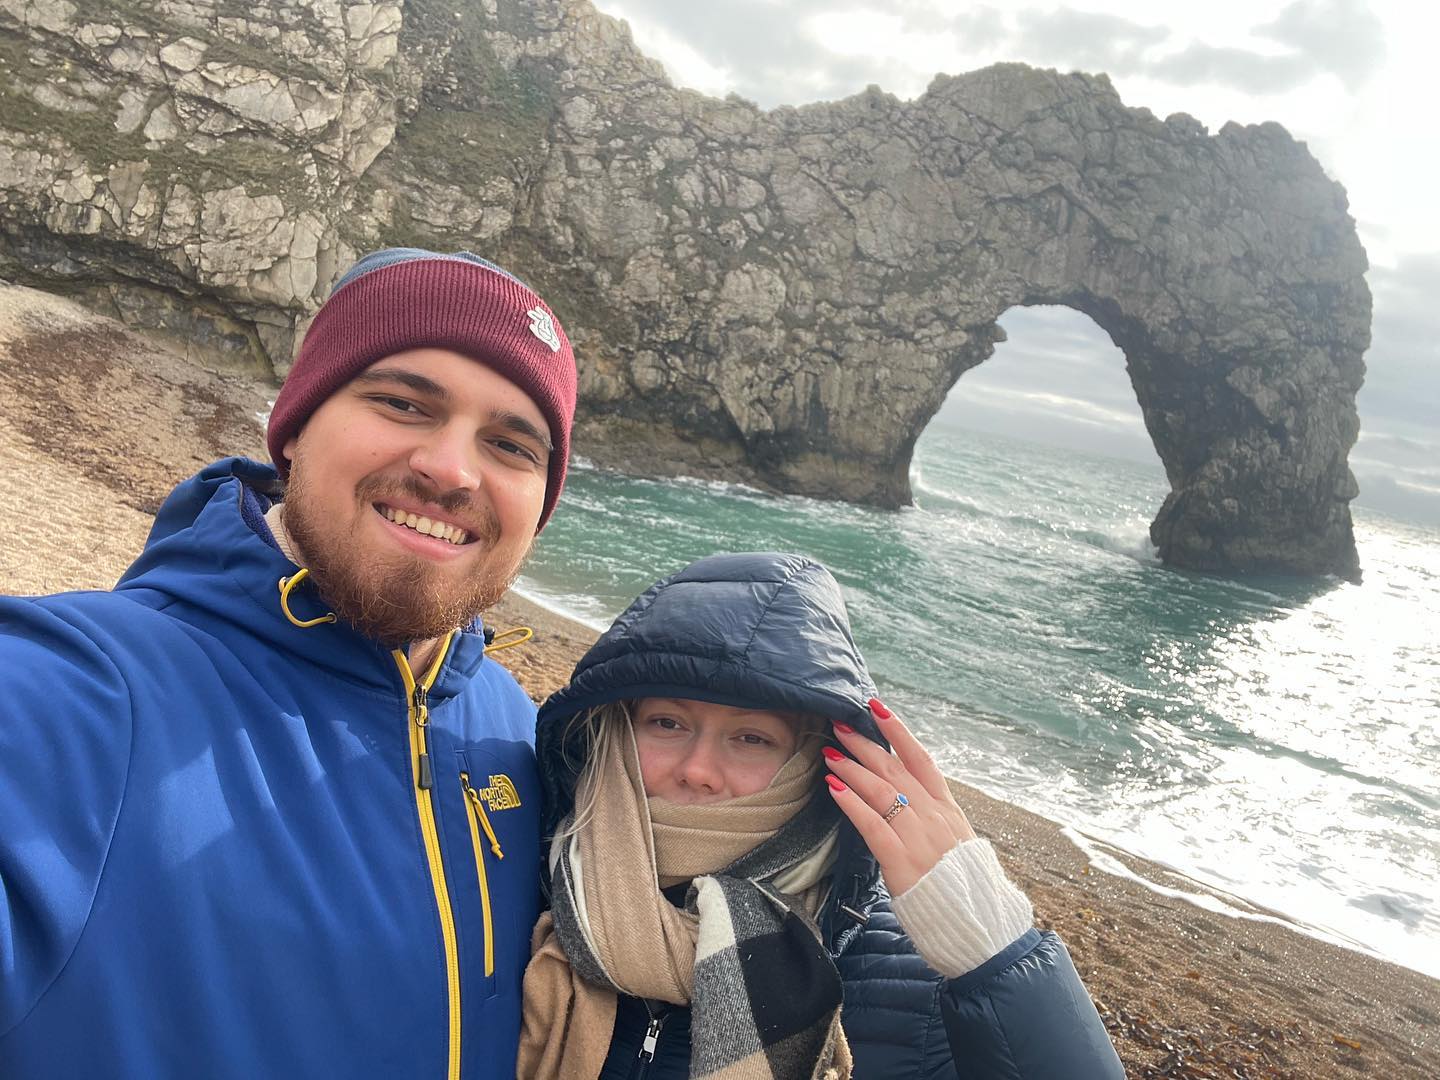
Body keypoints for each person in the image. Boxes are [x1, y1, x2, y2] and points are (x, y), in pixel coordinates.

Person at [0, 248, 576, 1078]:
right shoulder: (76, 692)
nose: (452, 470)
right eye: (403, 402)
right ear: (295, 428)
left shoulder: (520, 733)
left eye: (512, 445)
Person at [520, 552, 1125, 1079]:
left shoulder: (916, 987)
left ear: (809, 763)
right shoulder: (520, 880)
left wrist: (997, 957)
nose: (698, 769)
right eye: (667, 723)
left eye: (752, 738)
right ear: (614, 728)